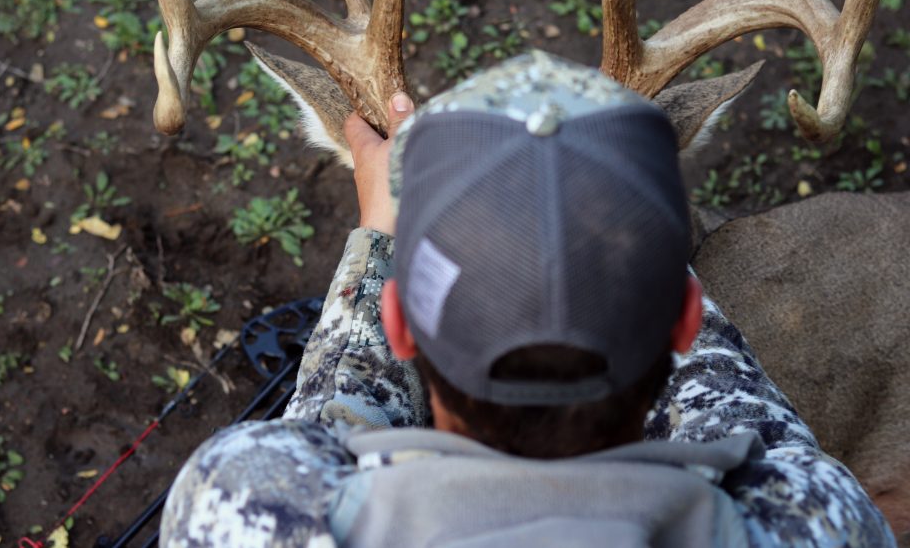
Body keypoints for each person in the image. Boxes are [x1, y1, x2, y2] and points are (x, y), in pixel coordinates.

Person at [159, 52, 894, 547]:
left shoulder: (242, 505)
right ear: (684, 319)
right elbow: (747, 421)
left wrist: (381, 237)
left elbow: (323, 425)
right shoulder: (818, 520)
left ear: (398, 324)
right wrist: (632, 225)